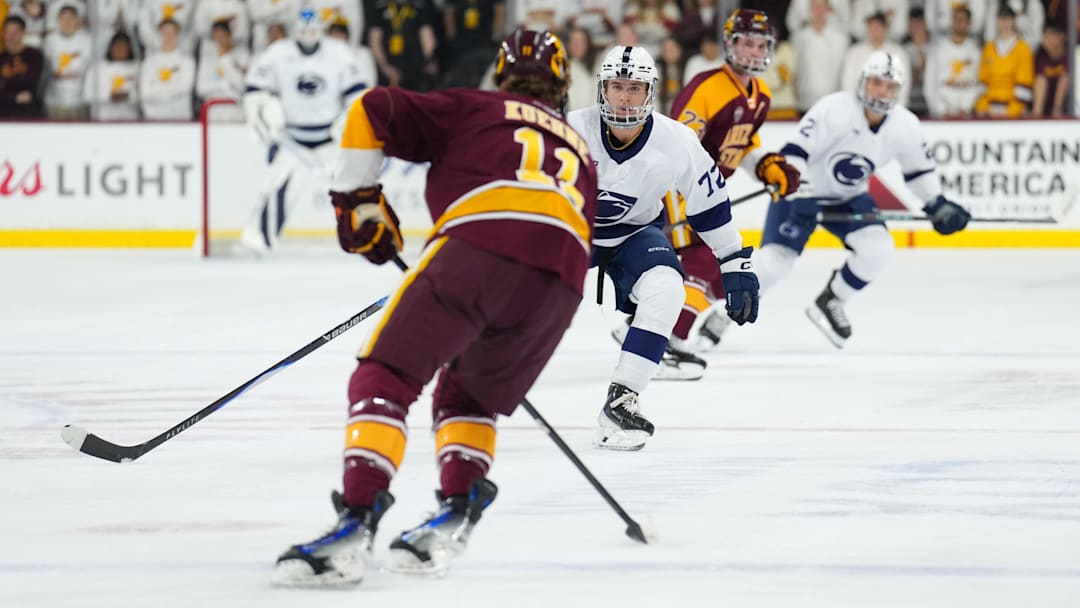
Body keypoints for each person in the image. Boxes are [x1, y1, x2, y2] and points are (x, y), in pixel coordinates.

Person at [271, 28, 598, 586]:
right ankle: (455, 511)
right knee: (468, 398)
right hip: (561, 282)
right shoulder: (579, 148)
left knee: (385, 374)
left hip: (480, 246)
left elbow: (372, 107)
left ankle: (355, 523)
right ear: (563, 84)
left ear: (501, 75)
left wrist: (358, 203)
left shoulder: (476, 106)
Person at [568, 44, 759, 451]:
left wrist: (732, 259)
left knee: (668, 287)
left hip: (634, 233)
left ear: (650, 93)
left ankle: (622, 399)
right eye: (616, 86)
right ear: (601, 88)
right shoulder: (569, 131)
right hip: (570, 233)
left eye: (634, 88)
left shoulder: (677, 140)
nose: (624, 96)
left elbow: (710, 205)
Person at [753, 51, 971, 348]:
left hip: (849, 197)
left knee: (878, 250)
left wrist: (936, 204)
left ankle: (832, 300)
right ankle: (723, 317)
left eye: (890, 87)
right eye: (876, 83)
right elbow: (793, 153)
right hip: (799, 191)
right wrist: (802, 192)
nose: (882, 92)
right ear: (863, 82)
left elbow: (918, 171)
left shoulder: (905, 125)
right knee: (774, 265)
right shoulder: (835, 108)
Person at [658, 8, 800, 362]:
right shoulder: (707, 87)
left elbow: (744, 143)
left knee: (715, 273)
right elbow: (678, 145)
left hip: (708, 191)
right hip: (677, 187)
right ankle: (667, 342)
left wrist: (767, 167)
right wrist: (692, 194)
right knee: (706, 262)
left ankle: (644, 323)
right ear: (729, 43)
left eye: (759, 44)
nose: (753, 52)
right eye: (746, 43)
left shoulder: (762, 94)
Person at [240, 7, 364, 254]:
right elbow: (254, 89)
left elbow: (358, 92)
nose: (308, 34)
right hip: (292, 139)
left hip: (330, 137)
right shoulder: (278, 53)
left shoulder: (338, 53)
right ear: (295, 31)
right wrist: (264, 110)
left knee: (353, 185)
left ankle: (365, 235)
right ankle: (262, 239)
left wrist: (350, 118)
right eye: (303, 30)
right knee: (276, 185)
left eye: (312, 30)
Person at [138, 18, 196, 119]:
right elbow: (145, 93)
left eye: (172, 33)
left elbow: (185, 88)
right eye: (164, 33)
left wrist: (157, 89)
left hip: (180, 118)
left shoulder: (187, 61)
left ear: (178, 35)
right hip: (154, 118)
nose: (168, 37)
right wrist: (171, 91)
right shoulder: (149, 62)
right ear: (158, 35)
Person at [82, 30, 140, 120]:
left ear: (130, 49)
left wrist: (129, 96)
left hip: (130, 121)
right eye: (117, 47)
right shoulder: (97, 69)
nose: (120, 50)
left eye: (124, 47)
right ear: (110, 48)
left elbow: (145, 93)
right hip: (103, 121)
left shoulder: (137, 68)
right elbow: (87, 94)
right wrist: (109, 96)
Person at [0, 14, 44, 117]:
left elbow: (34, 84)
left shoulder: (35, 56)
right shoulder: (1, 58)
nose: (11, 36)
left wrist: (8, 91)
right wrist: (14, 97)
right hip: (3, 115)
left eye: (15, 32)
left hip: (30, 114)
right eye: (8, 32)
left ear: (23, 33)